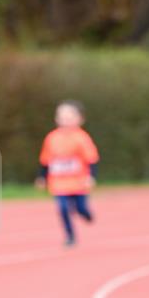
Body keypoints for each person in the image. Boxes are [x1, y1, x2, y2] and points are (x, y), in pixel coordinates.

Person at [37, 101, 99, 246]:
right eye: (62, 117)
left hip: (78, 182)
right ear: (57, 119)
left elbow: (91, 159)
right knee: (63, 209)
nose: (66, 121)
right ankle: (70, 236)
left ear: (80, 119)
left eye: (70, 117)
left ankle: (86, 214)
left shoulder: (82, 138)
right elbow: (45, 160)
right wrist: (42, 177)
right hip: (59, 182)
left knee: (80, 208)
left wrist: (91, 176)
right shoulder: (52, 138)